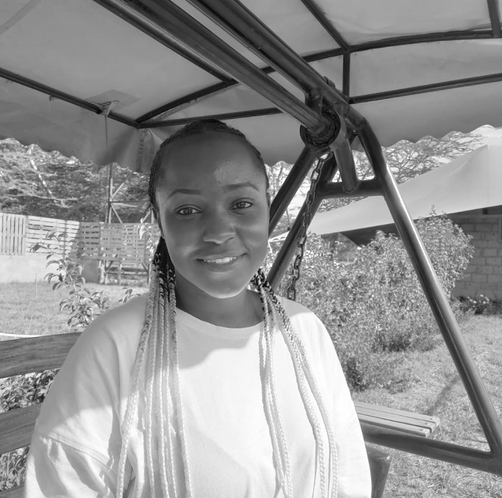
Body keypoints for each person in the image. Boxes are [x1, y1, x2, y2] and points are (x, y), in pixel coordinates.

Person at [25, 119, 371, 497]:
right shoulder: (114, 348)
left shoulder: (304, 330)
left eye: (242, 204)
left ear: (266, 207)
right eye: (188, 210)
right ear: (159, 220)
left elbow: (347, 471)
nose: (219, 232)